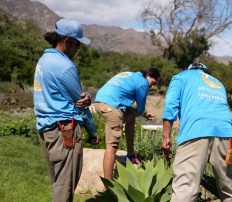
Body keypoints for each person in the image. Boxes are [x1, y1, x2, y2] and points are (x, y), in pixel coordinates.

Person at [33, 18, 98, 202]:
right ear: (68, 41)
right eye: (77, 45)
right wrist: (92, 131)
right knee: (65, 186)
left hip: (46, 129)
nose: (78, 49)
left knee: (59, 182)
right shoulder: (65, 67)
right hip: (65, 131)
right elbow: (82, 103)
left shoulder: (44, 60)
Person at [162, 63, 232, 202]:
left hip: (196, 130)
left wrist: (166, 136)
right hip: (227, 134)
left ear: (189, 70)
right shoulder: (218, 83)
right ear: (206, 73)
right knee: (229, 188)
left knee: (185, 188)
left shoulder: (181, 77)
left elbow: (170, 106)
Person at [94, 68, 160, 181]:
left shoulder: (128, 74)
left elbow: (133, 109)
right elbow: (139, 109)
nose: (152, 86)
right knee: (112, 146)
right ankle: (108, 187)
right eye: (154, 81)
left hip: (99, 101)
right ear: (148, 75)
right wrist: (143, 113)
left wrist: (143, 114)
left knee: (130, 117)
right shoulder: (143, 83)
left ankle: (130, 155)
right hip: (112, 107)